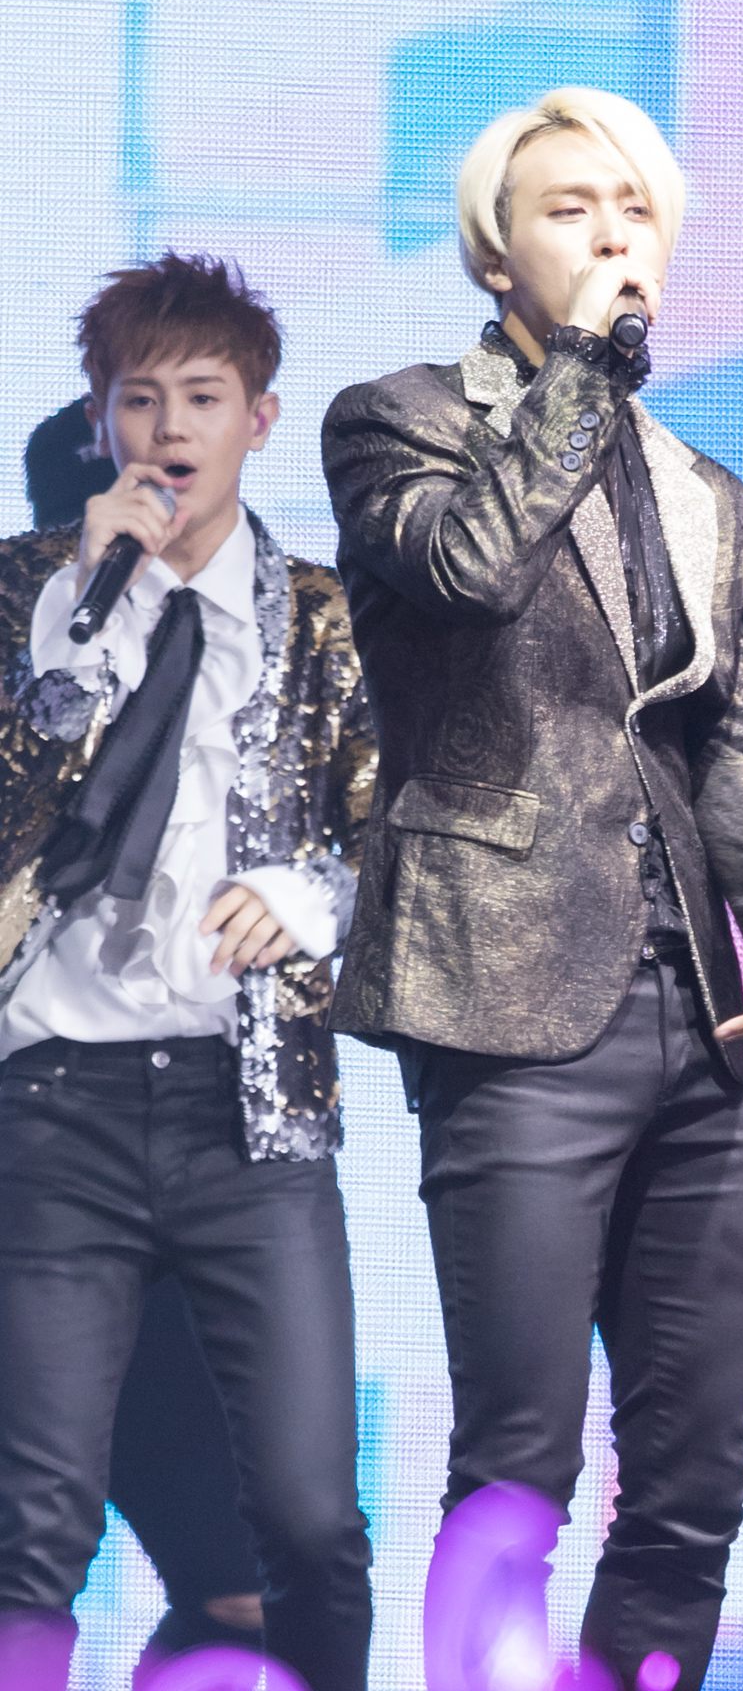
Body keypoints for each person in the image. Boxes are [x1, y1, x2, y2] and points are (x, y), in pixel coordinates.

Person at [322, 86, 743, 1691]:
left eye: (635, 211)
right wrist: (579, 374)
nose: (614, 235)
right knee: (519, 1466)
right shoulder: (398, 422)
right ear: (497, 256)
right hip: (505, 994)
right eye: (571, 209)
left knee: (695, 1474)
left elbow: (724, 742)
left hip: (690, 1013)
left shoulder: (708, 494)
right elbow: (470, 569)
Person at [0, 253, 377, 1691]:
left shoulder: (325, 619)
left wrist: (316, 894)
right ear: (101, 419)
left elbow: (399, 841)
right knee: (32, 1527)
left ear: (258, 420)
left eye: (202, 398)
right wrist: (78, 623)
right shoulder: (24, 600)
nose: (168, 429)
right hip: (54, 1105)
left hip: (251, 1113)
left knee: (310, 1523)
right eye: (139, 398)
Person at [22, 396, 268, 1679]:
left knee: (246, 1586)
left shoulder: (263, 663)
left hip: (189, 1150)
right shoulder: (35, 676)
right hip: (34, 1150)